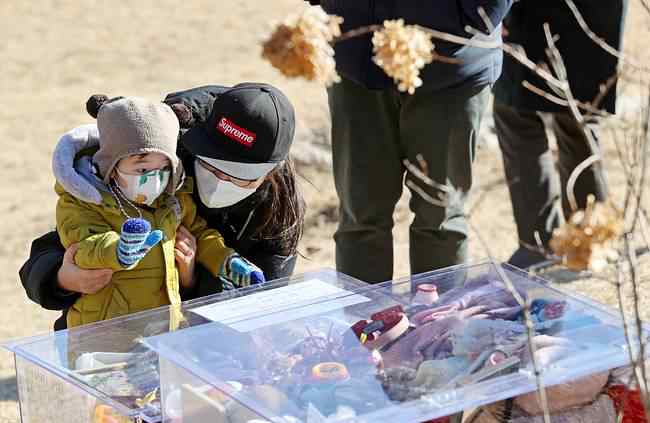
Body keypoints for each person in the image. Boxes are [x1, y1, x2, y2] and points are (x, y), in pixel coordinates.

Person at [20, 83, 305, 330]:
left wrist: (193, 279)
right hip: (104, 334)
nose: (221, 182)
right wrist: (62, 279)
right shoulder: (159, 155)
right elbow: (56, 247)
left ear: (269, 175)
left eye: (240, 178)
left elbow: (260, 309)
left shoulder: (277, 208)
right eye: (211, 167)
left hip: (187, 337)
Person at [305, 0, 512, 283]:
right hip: (355, 58)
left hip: (452, 68)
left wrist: (470, 16)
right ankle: (363, 322)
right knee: (360, 215)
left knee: (440, 217)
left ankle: (437, 324)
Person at [55, 95, 261, 327]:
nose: (154, 178)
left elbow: (200, 236)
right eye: (142, 168)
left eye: (163, 168)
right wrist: (119, 249)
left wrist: (227, 261)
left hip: (165, 329)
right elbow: (84, 246)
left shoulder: (173, 200)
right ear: (111, 166)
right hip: (105, 335)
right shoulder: (83, 201)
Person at [493, 0, 627, 268]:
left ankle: (542, 245)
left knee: (519, 114)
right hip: (592, 14)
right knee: (576, 117)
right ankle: (591, 240)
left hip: (536, 15)